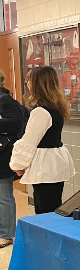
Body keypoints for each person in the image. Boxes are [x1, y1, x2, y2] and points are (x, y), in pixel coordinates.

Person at [11, 66, 75, 214]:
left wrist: (18, 164)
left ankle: (47, 237)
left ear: (37, 84)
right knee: (52, 207)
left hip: (45, 167)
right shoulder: (56, 107)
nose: (27, 83)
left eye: (28, 80)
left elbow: (29, 142)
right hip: (55, 163)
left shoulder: (41, 111)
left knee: (45, 211)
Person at [0, 70, 23, 247]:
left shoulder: (6, 101)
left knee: (4, 195)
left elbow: (15, 123)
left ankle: (7, 234)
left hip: (3, 155)